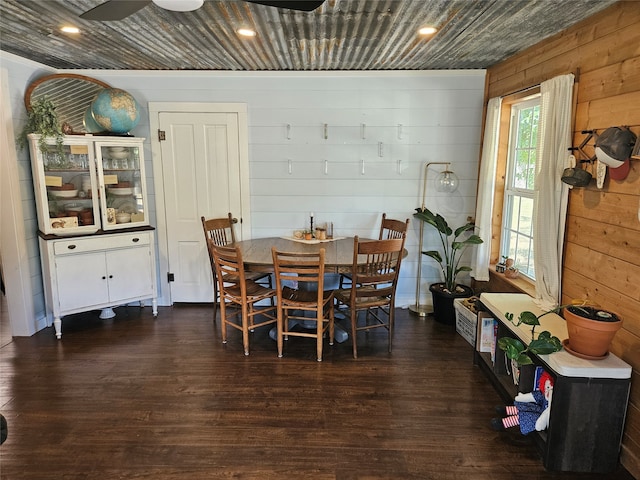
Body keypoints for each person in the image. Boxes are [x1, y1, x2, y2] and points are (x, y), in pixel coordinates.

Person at [491, 370, 554, 434]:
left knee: (524, 417)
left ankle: (504, 423)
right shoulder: (543, 395)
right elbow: (534, 396)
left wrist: (540, 424)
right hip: (539, 409)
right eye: (548, 388)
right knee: (526, 407)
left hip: (543, 418)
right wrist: (522, 397)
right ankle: (507, 410)